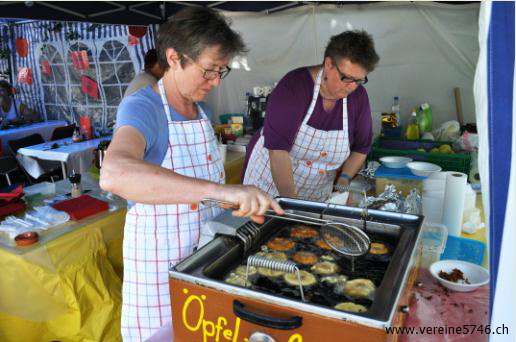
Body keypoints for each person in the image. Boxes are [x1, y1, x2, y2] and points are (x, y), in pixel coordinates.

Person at [99, 7, 283, 342]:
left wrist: (231, 205)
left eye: (221, 72)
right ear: (174, 58)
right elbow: (114, 173)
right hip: (159, 278)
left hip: (205, 264)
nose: (215, 82)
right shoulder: (144, 107)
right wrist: (222, 190)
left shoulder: (201, 110)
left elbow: (196, 195)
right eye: (209, 70)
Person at [243, 30, 379, 202]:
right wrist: (293, 206)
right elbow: (278, 152)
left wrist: (343, 180)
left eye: (359, 80)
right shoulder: (293, 88)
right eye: (347, 78)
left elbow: (361, 147)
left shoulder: (358, 97)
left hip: (317, 192)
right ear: (329, 64)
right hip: (268, 186)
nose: (352, 87)